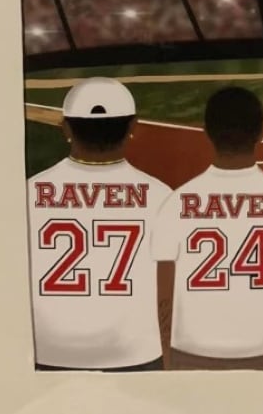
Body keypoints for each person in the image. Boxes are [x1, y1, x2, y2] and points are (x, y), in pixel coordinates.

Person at [27, 77, 172, 371]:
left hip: (49, 356)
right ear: (132, 126)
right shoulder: (162, 197)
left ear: (65, 127)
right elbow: (169, 296)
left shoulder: (27, 193)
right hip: (136, 355)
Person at [152, 86, 263, 370]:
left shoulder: (175, 202)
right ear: (260, 133)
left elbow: (164, 293)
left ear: (207, 131)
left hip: (191, 353)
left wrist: (168, 359)